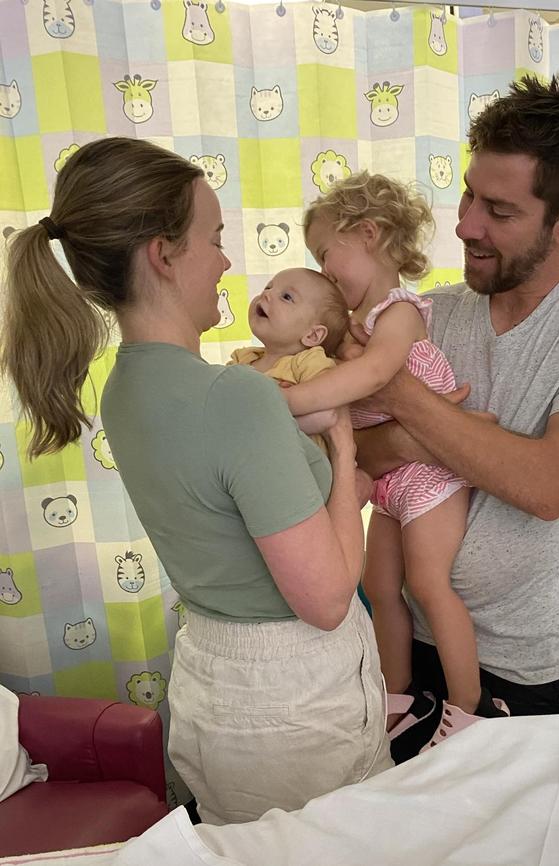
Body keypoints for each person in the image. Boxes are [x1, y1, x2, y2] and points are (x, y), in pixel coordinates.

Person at [0, 136, 393, 823]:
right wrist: (343, 453)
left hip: (215, 682)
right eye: (213, 238)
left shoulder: (124, 390)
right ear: (163, 253)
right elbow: (328, 599)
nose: (227, 261)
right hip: (292, 705)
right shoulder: (236, 398)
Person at [349, 74, 559, 759]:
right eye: (467, 195)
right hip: (408, 641)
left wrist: (399, 397)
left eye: (499, 210)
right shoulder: (429, 313)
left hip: (528, 673)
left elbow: (546, 486)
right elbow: (359, 458)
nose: (465, 225)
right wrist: (427, 433)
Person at [284, 171, 508, 751]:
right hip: (391, 482)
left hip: (432, 479)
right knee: (379, 585)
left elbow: (379, 376)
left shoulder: (399, 312)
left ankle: (467, 711)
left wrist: (294, 398)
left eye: (325, 255)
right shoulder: (355, 327)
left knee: (431, 585)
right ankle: (397, 694)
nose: (323, 272)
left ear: (368, 234)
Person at [228, 267, 348, 453]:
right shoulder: (243, 359)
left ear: (313, 335)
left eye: (286, 297)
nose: (266, 294)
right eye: (268, 287)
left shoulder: (308, 362)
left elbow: (328, 414)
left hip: (299, 469)